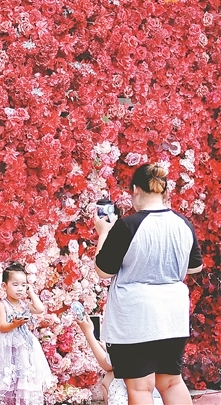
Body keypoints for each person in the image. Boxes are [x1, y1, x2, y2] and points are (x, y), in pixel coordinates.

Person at [94, 163, 203, 405]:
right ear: (165, 191)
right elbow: (195, 266)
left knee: (140, 387)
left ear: (135, 189)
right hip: (172, 315)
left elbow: (103, 270)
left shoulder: (128, 225)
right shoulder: (182, 223)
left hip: (137, 316)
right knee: (172, 382)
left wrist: (103, 233)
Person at [0, 262, 56, 405]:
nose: (20, 288)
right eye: (15, 284)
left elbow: (40, 309)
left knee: (22, 373)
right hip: (5, 344)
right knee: (7, 374)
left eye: (23, 285)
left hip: (23, 344)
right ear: (4, 286)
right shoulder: (2, 305)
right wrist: (15, 324)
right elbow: (2, 327)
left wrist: (31, 292)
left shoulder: (24, 305)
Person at [74, 311, 162, 405]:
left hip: (135, 396)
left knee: (109, 377)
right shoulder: (155, 331)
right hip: (161, 395)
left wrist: (88, 333)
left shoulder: (126, 333)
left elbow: (107, 364)